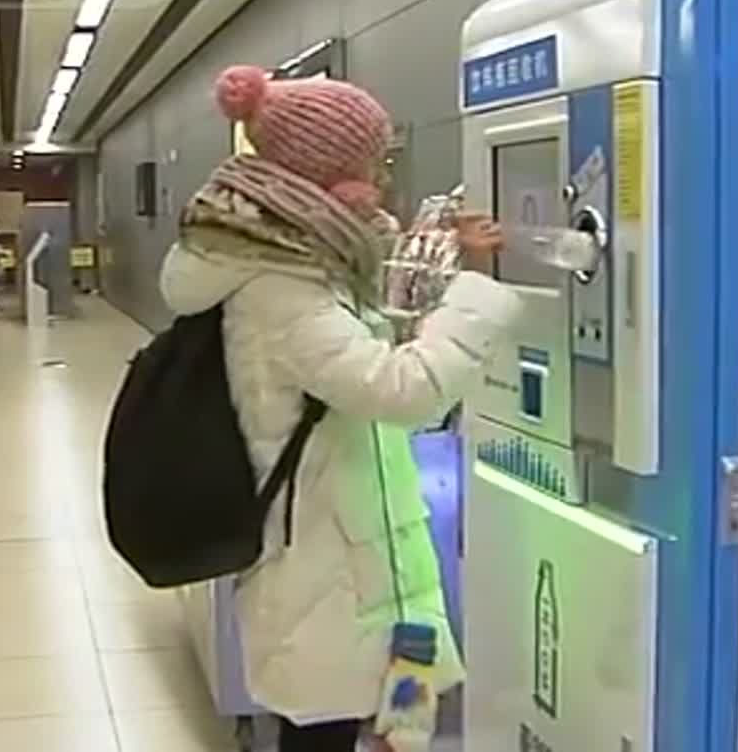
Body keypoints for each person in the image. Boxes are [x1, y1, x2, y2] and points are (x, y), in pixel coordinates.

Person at [159, 65, 521, 752]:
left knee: (398, 715)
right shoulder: (280, 287)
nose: (381, 183)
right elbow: (399, 390)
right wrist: (473, 291)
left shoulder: (306, 264)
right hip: (326, 567)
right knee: (320, 729)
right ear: (324, 179)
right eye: (370, 165)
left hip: (371, 550)